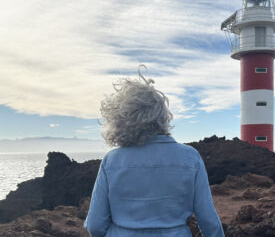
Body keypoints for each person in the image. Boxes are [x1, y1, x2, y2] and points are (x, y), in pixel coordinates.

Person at [84, 66, 225, 237]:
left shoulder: (112, 160)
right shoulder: (190, 157)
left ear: (120, 119)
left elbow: (95, 225)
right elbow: (208, 221)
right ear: (163, 115)